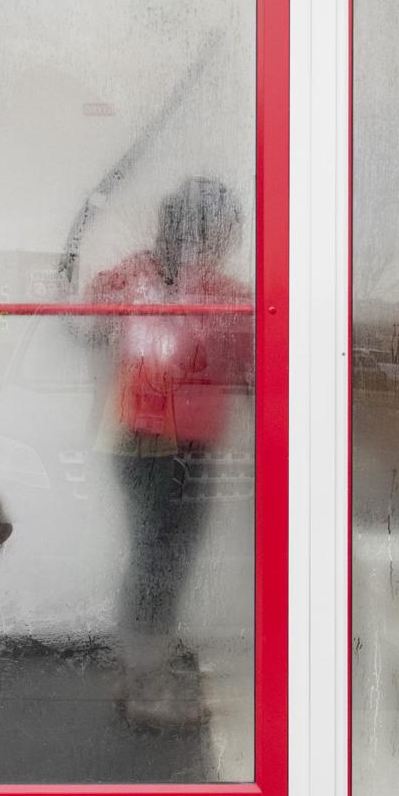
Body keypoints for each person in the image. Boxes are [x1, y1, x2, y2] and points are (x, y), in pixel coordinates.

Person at [86, 176, 253, 727]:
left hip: (148, 436)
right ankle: (146, 689)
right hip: (165, 439)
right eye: (226, 227)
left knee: (156, 558)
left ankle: (139, 671)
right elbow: (244, 359)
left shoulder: (139, 276)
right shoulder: (209, 290)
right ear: (204, 228)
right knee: (162, 561)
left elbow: (90, 322)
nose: (231, 238)